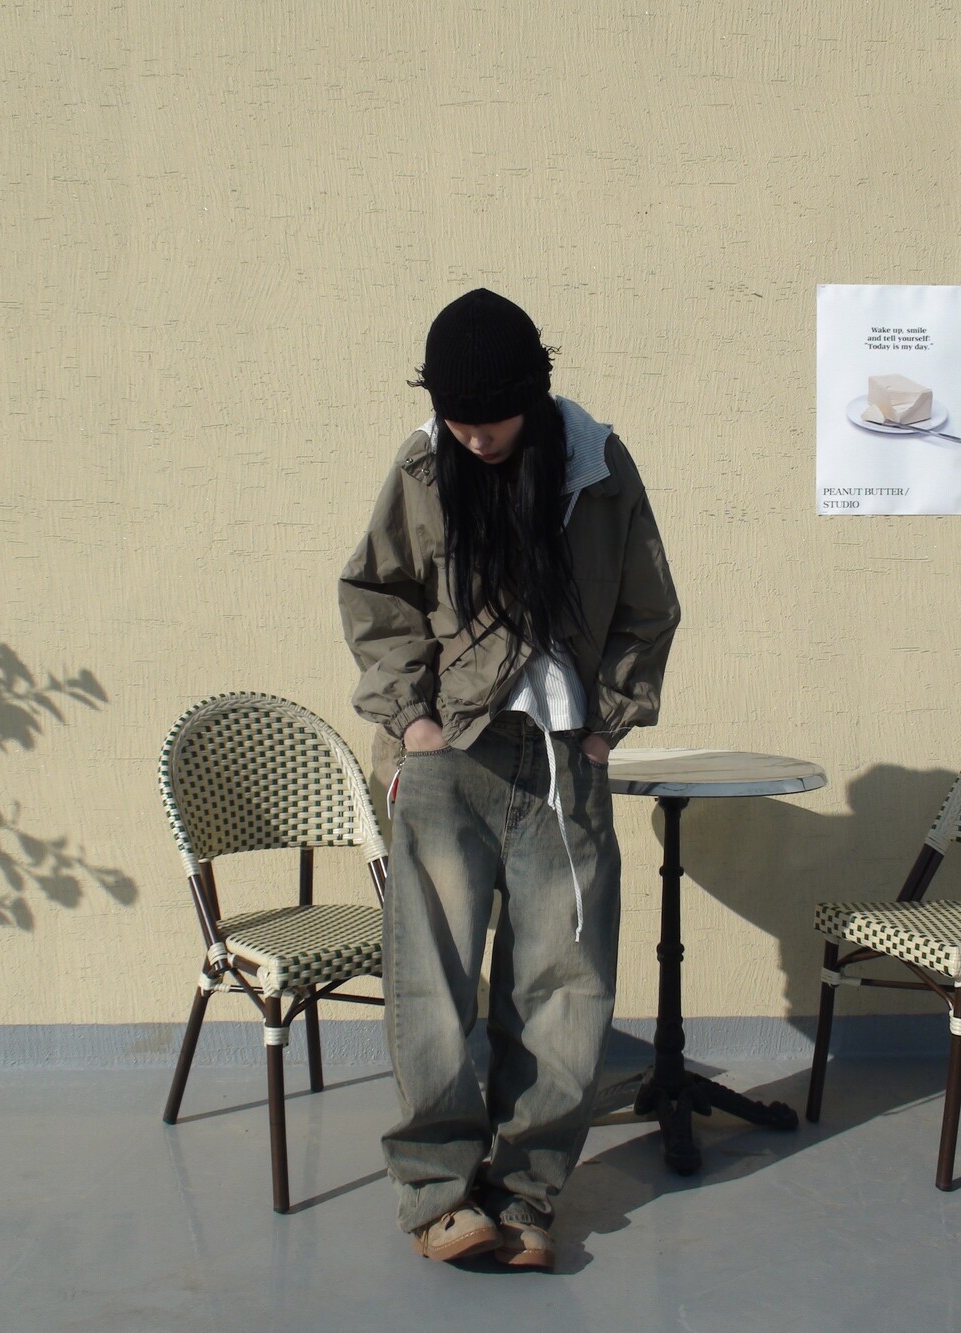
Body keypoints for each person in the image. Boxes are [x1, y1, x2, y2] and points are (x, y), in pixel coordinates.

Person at [338, 289, 680, 1269]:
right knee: (432, 980)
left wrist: (605, 725)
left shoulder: (596, 466)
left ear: (531, 396)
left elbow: (649, 605)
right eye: (457, 418)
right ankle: (440, 1195)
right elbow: (376, 594)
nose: (474, 437)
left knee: (565, 984)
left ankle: (528, 1191)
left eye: (490, 418)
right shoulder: (423, 465)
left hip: (563, 762)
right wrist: (414, 721)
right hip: (449, 756)